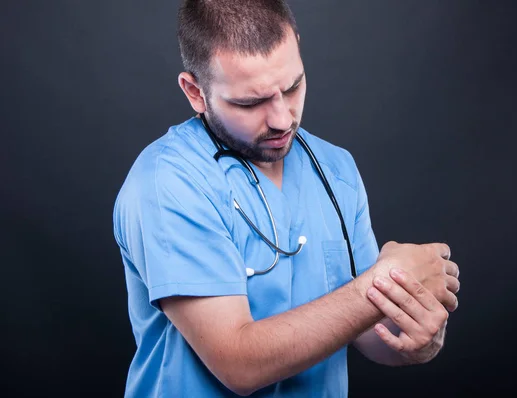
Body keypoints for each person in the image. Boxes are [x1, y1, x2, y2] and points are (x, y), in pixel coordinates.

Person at [113, 0, 460, 396]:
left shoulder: (336, 169)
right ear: (196, 92)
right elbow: (238, 364)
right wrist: (378, 285)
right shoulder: (167, 181)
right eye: (250, 102)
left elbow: (370, 332)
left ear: (297, 45)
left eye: (292, 86)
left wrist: (415, 327)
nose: (282, 119)